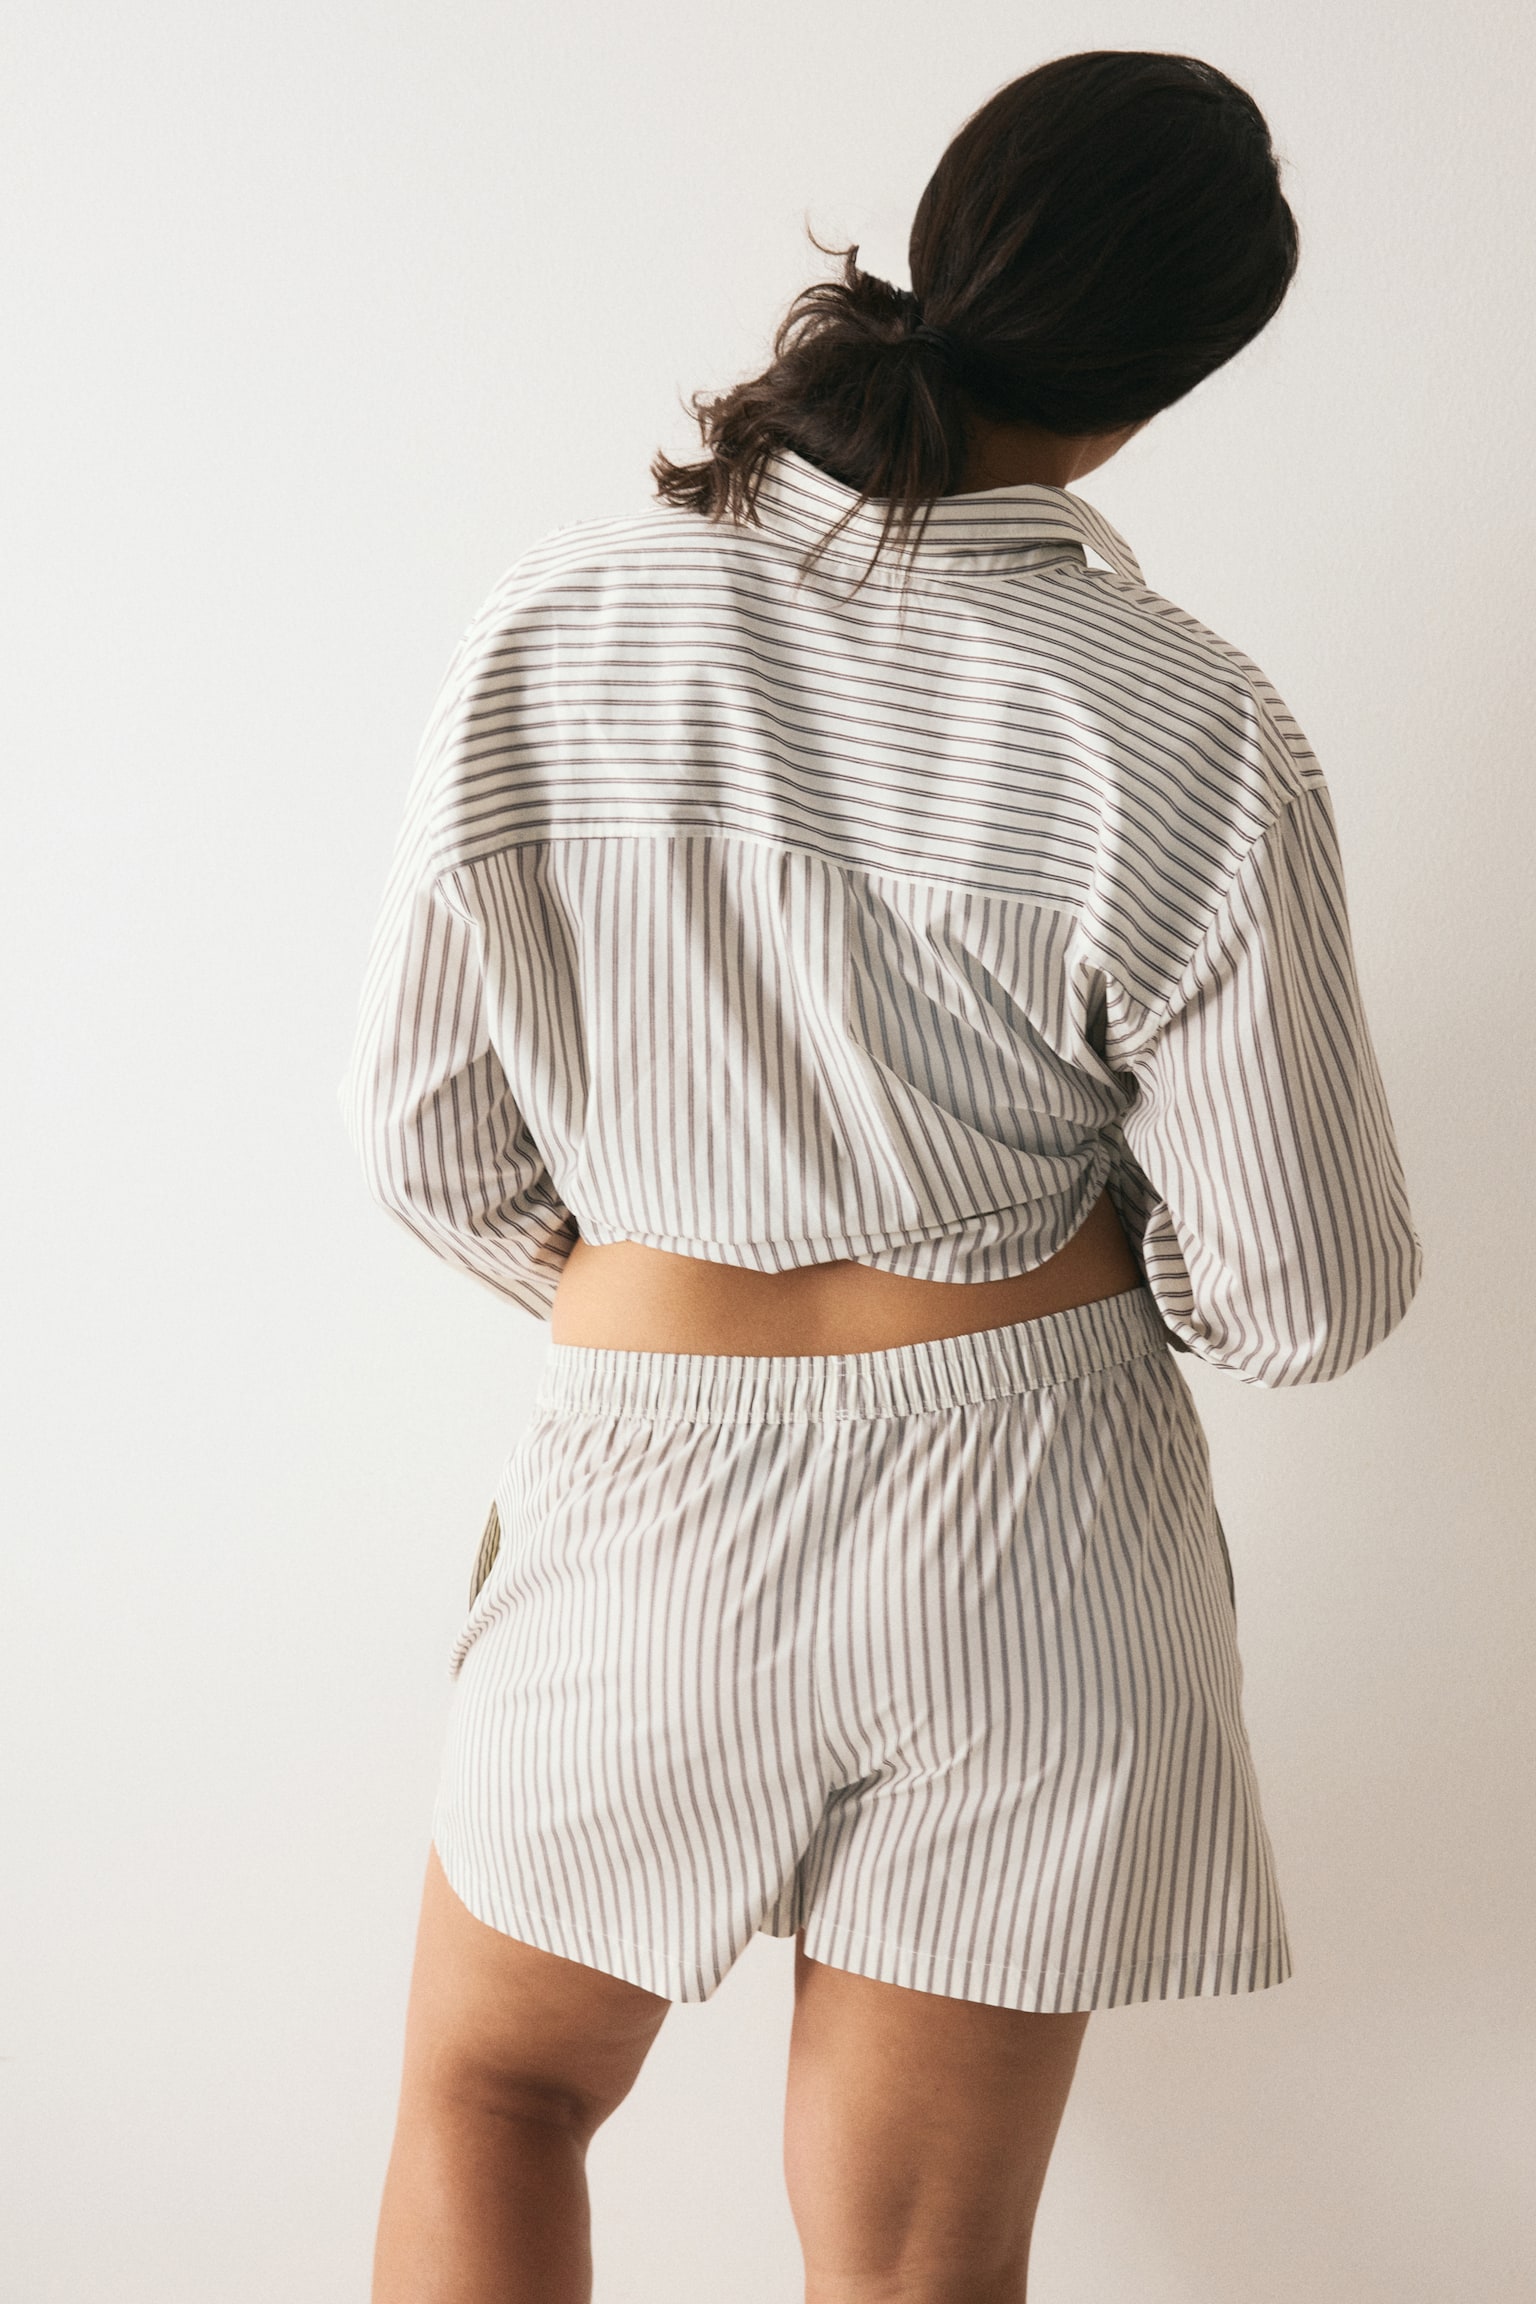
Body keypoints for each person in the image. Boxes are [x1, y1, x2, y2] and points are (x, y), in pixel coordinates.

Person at [343, 48, 1421, 2304]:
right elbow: (1313, 1295)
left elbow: (428, 1147)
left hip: (649, 1489)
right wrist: (1078, 1245)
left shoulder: (567, 618)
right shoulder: (1189, 720)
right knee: (923, 2269)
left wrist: (675, 1261)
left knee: (495, 2100)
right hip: (1038, 1526)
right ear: (1167, 381)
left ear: (945, 244)